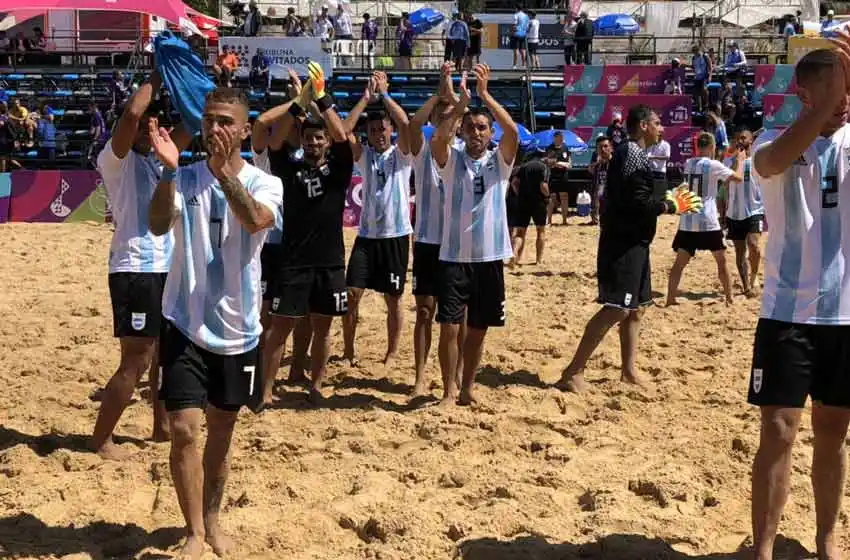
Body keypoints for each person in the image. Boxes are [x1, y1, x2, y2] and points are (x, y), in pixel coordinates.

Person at [148, 87, 282, 559]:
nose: (215, 128)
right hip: (184, 323)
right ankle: (194, 534)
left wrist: (225, 174)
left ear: (246, 130)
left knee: (222, 433)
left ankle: (211, 518)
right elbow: (159, 225)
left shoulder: (267, 181)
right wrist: (167, 171)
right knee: (184, 429)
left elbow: (254, 221)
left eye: (226, 121)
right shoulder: (182, 178)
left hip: (240, 330)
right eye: (209, 120)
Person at [747, 46, 850, 560]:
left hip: (846, 313)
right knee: (779, 429)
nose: (843, 101)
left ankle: (827, 539)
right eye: (833, 90)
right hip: (787, 311)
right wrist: (820, 111)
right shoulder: (773, 139)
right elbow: (772, 162)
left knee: (833, 430)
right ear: (805, 95)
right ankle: (763, 547)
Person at [556, 105, 702, 393]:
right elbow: (636, 204)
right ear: (645, 125)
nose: (662, 128)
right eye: (658, 122)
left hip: (636, 241)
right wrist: (669, 205)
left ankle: (628, 371)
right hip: (623, 244)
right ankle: (573, 371)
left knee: (636, 310)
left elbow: (634, 196)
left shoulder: (632, 154)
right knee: (617, 310)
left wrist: (664, 197)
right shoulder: (632, 154)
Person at [88, 71, 191, 460]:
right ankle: (100, 439)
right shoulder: (117, 160)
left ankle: (161, 427)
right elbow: (131, 116)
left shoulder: (161, 160)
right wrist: (159, 73)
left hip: (166, 268)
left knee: (165, 356)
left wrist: (197, 80)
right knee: (136, 359)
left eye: (158, 124)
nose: (152, 128)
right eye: (148, 124)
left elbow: (195, 121)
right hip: (135, 269)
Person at [263, 63, 354, 405]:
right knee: (279, 329)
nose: (314, 142)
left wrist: (323, 96)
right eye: (309, 138)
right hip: (294, 262)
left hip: (329, 263)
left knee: (323, 330)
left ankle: (316, 386)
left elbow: (344, 138)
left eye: (319, 138)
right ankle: (267, 390)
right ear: (302, 141)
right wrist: (299, 103)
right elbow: (273, 142)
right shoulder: (290, 169)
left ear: (326, 142)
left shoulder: (339, 169)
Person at [431, 64, 518, 405]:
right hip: (454, 257)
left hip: (489, 257)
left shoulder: (500, 161)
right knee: (449, 328)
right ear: (463, 132)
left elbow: (511, 130)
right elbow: (438, 138)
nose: (477, 133)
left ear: (489, 132)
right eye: (471, 128)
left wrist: (484, 96)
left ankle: (467, 387)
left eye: (482, 128)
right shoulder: (452, 160)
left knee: (479, 330)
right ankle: (448, 390)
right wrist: (462, 105)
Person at [342, 71, 412, 367]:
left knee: (393, 299)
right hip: (367, 236)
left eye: (382, 129)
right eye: (373, 131)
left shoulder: (401, 154)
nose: (378, 135)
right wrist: (366, 98)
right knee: (351, 295)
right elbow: (344, 131)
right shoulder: (365, 156)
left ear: (390, 130)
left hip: (396, 236)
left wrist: (384, 95)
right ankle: (348, 351)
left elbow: (407, 125)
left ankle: (392, 351)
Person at [409, 63, 465, 398]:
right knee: (425, 311)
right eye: (440, 114)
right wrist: (439, 94)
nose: (446, 118)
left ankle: (455, 376)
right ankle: (419, 377)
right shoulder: (424, 150)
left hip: (458, 243)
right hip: (428, 239)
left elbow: (466, 112)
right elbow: (415, 123)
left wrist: (454, 99)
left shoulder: (466, 150)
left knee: (456, 316)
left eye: (452, 114)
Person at [666, 132, 742, 306]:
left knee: (679, 263)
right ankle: (729, 298)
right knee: (721, 262)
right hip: (707, 220)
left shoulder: (688, 163)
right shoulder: (713, 164)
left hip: (688, 219)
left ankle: (670, 298)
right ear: (710, 147)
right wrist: (741, 161)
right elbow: (737, 178)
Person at [724, 127, 762, 298]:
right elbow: (724, 183)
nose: (741, 140)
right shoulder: (730, 161)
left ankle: (754, 277)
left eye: (744, 137)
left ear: (751, 141)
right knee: (740, 252)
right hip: (734, 211)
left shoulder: (757, 160)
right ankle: (746, 286)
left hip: (755, 209)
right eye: (738, 138)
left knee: (754, 246)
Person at [511, 153, 549, 265]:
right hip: (538, 202)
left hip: (523, 201)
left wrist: (519, 194)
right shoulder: (543, 167)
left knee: (520, 232)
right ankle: (538, 260)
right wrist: (547, 196)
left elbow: (514, 183)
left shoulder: (522, 167)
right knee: (540, 231)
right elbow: (543, 186)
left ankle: (514, 253)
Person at [544, 131, 571, 225]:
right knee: (551, 198)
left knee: (564, 197)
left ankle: (564, 221)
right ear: (555, 138)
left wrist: (559, 163)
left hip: (563, 176)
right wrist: (556, 163)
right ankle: (549, 221)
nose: (561, 139)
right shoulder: (549, 149)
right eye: (559, 138)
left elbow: (569, 164)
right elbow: (548, 163)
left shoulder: (565, 147)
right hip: (552, 176)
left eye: (562, 138)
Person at [588, 135, 612, 225]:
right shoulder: (595, 156)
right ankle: (595, 219)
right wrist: (597, 163)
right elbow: (590, 170)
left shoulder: (616, 161)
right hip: (599, 186)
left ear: (611, 147)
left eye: (605, 146)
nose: (603, 149)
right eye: (600, 147)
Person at [691, 45, 712, 113]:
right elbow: (693, 67)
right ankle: (699, 106)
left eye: (697, 52)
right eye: (694, 52)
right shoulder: (694, 58)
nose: (696, 54)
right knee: (696, 92)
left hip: (704, 76)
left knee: (704, 89)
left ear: (699, 50)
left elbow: (710, 66)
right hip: (697, 76)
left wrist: (710, 76)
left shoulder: (705, 56)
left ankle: (707, 104)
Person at [511, 5, 529, 70]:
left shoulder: (516, 15)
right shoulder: (526, 16)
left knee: (516, 50)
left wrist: (512, 31)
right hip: (523, 35)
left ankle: (515, 65)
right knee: (523, 50)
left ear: (517, 9)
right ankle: (523, 65)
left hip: (516, 34)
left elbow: (514, 25)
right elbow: (527, 27)